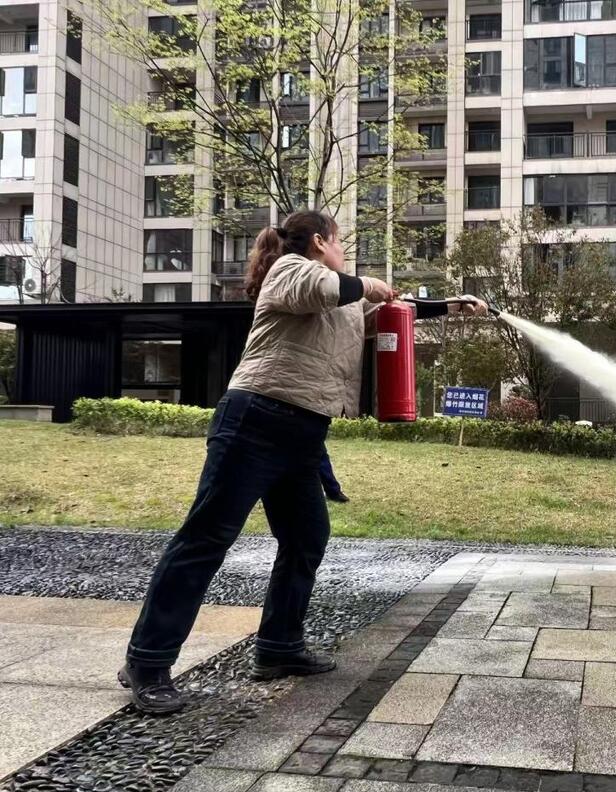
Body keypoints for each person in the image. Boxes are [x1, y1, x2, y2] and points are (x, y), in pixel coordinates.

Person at [120, 210, 487, 714]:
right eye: (340, 242)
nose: (343, 252)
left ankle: (278, 647)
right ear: (319, 242)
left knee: (306, 537)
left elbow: (376, 316)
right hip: (255, 420)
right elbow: (329, 288)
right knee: (206, 539)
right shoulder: (291, 270)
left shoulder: (336, 294)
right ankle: (147, 661)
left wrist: (446, 307)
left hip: (303, 432)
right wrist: (370, 284)